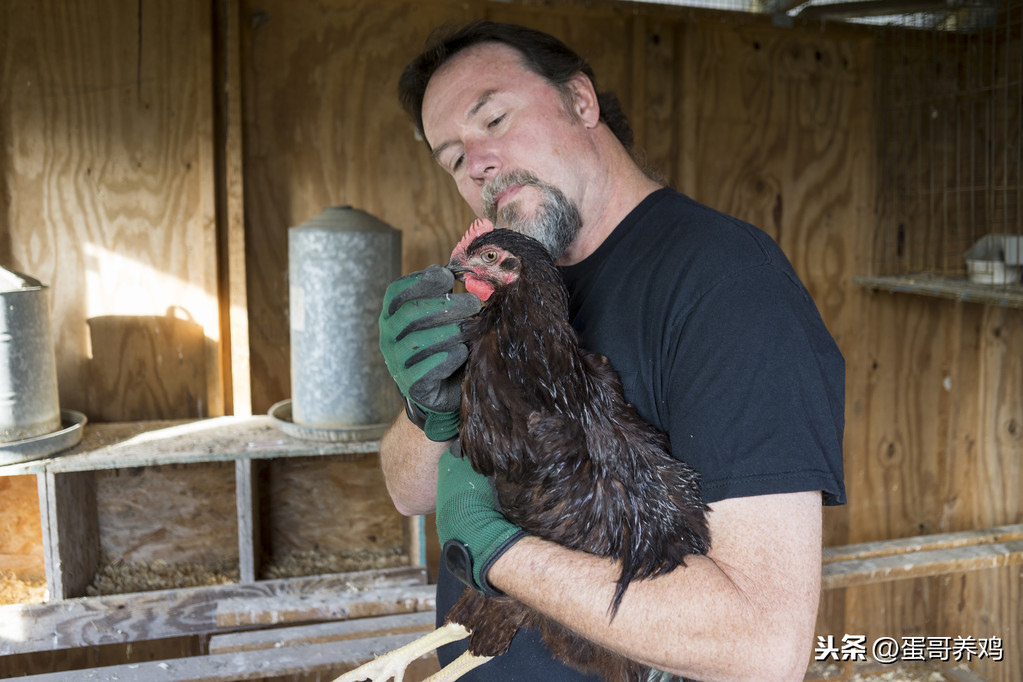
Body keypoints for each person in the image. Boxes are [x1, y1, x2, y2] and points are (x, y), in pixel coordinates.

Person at [377, 20, 846, 681]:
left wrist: (496, 550)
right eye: (452, 157)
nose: (476, 161)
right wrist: (430, 412)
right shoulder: (502, 287)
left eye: (494, 119)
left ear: (580, 101)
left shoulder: (724, 283)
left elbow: (762, 647)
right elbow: (407, 490)